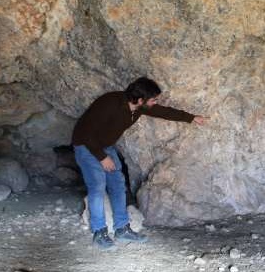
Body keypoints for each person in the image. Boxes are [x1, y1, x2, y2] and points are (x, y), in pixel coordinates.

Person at [71, 77, 207, 249]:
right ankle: (100, 232)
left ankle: (122, 228)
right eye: (153, 99)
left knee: (118, 185)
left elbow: (163, 112)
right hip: (85, 144)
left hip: (105, 146)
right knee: (97, 186)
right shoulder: (109, 103)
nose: (155, 103)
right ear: (141, 99)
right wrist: (101, 157)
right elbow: (86, 131)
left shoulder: (138, 108)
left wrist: (192, 118)